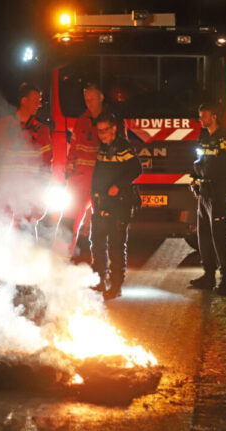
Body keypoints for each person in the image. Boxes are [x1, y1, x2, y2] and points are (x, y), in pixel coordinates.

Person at [189, 103, 226, 296]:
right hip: (204, 191)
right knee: (204, 235)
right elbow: (199, 161)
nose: (200, 118)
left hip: (219, 191)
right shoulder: (204, 137)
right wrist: (194, 178)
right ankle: (208, 277)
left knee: (220, 237)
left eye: (202, 114)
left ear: (214, 116)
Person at [0, 83, 52, 238]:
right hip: (4, 191)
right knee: (0, 235)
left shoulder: (41, 131)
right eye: (35, 100)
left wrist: (41, 189)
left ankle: (27, 261)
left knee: (26, 236)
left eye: (40, 100)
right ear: (24, 101)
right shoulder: (1, 127)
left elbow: (47, 164)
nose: (39, 104)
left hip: (29, 193)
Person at [90, 112, 142, 301]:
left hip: (120, 203)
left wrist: (118, 185)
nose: (102, 134)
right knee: (97, 243)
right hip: (102, 202)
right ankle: (98, 281)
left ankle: (116, 285)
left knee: (116, 246)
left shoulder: (123, 147)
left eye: (105, 130)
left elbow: (136, 168)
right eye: (99, 131)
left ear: (113, 129)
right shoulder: (103, 148)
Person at [56, 83, 104, 258]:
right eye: (86, 99)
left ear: (101, 98)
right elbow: (74, 148)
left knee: (102, 227)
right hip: (79, 182)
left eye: (92, 99)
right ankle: (59, 262)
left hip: (101, 182)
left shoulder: (110, 121)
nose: (88, 102)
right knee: (67, 222)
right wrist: (69, 174)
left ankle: (100, 268)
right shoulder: (81, 121)